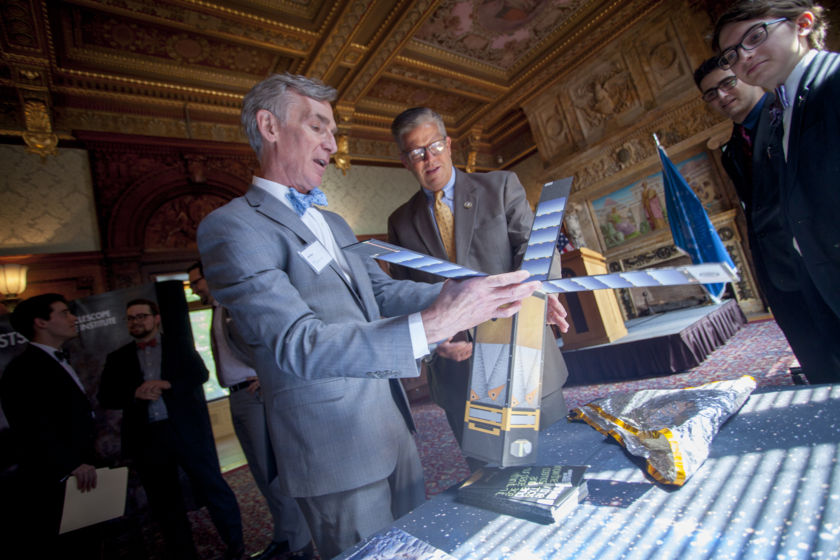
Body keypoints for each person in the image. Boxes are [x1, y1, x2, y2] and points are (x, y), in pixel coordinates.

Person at [196, 73, 544, 559]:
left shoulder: (333, 221)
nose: (333, 144)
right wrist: (436, 325)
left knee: (416, 548)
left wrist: (466, 291)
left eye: (333, 131)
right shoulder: (231, 227)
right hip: (332, 447)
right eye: (318, 127)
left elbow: (380, 292)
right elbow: (299, 344)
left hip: (392, 427)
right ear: (269, 126)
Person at [386, 107, 571, 460]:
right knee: (487, 478)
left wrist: (539, 294)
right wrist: (434, 340)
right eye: (416, 152)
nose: (429, 158)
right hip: (459, 372)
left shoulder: (500, 186)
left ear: (449, 144)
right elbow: (402, 294)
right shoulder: (400, 222)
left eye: (435, 145)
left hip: (524, 352)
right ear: (405, 161)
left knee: (554, 463)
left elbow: (535, 249)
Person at [713, 0, 840, 382]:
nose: (744, 57)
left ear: (803, 23)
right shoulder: (785, 110)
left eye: (755, 37)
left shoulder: (833, 82)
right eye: (732, 54)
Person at [98, 298, 246, 560]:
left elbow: (200, 375)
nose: (136, 322)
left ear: (156, 319)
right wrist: (135, 393)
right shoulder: (117, 358)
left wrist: (169, 384)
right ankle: (183, 553)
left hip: (187, 431)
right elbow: (106, 396)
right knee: (165, 501)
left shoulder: (179, 346)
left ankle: (236, 545)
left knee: (212, 487)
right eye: (131, 318)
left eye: (142, 316)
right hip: (148, 438)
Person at [187, 261, 314, 560]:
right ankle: (284, 536)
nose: (193, 290)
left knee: (273, 473)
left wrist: (268, 374)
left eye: (196, 283)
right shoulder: (217, 308)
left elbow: (270, 338)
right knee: (260, 473)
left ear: (211, 276)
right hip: (236, 397)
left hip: (256, 394)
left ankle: (299, 545)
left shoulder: (236, 304)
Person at [0, 294, 100, 556]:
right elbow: (31, 430)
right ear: (41, 323)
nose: (74, 318)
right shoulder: (22, 370)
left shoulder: (59, 358)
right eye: (64, 313)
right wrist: (69, 465)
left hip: (83, 470)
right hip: (59, 479)